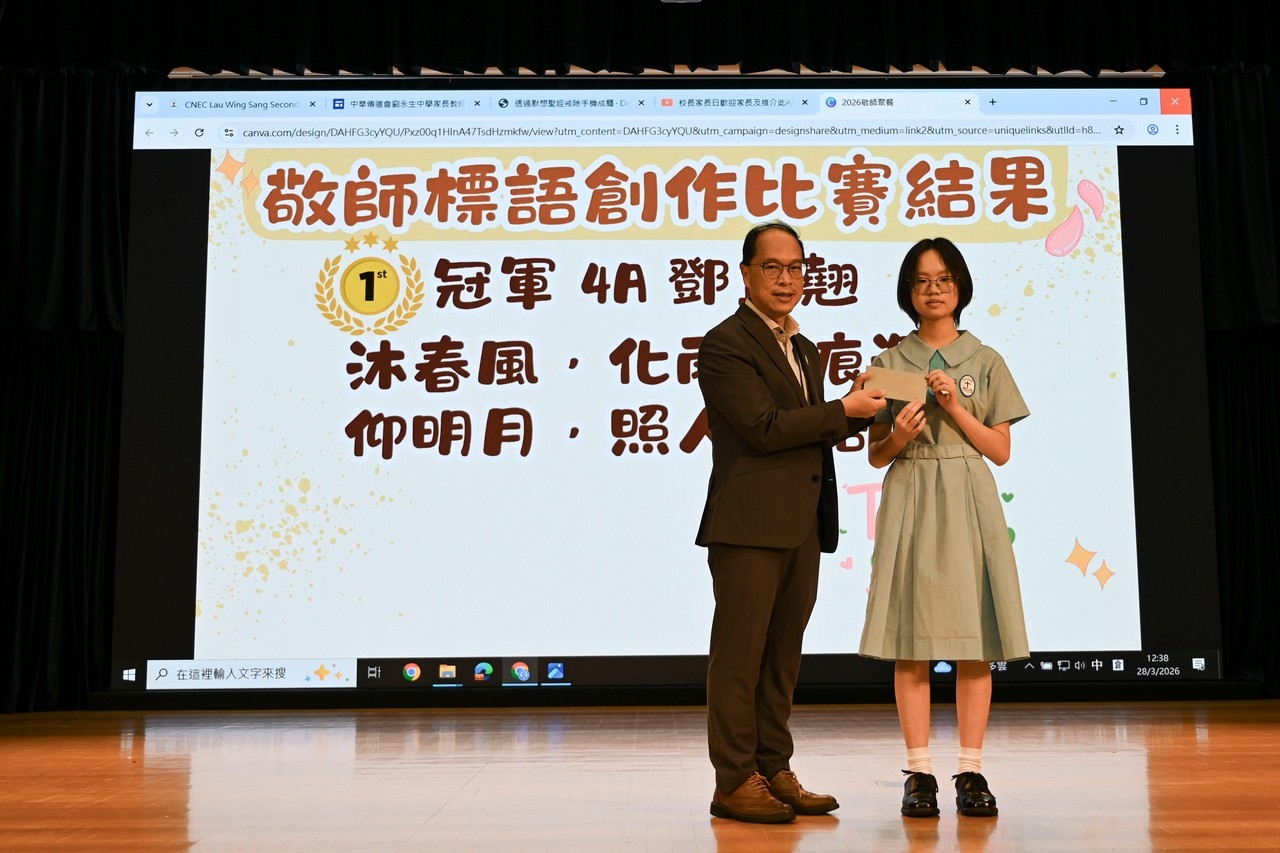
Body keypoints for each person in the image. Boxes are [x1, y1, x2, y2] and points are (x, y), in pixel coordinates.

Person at [696, 220, 888, 824]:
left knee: (782, 657)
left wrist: (863, 408)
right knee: (740, 658)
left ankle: (774, 768)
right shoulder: (724, 343)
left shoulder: (804, 348)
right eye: (773, 267)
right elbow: (764, 428)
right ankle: (734, 781)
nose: (786, 279)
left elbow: (810, 429)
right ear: (746, 273)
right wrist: (841, 410)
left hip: (802, 522)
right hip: (748, 524)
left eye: (796, 267)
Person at [859, 237, 1030, 819]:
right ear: (908, 291)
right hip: (911, 490)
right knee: (911, 642)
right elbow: (875, 455)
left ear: (960, 287)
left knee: (974, 642)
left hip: (967, 495)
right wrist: (900, 436)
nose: (933, 290)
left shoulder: (985, 360)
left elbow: (999, 451)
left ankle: (971, 771)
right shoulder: (889, 364)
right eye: (922, 280)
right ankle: (919, 773)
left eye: (944, 279)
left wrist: (955, 408)